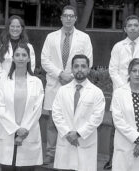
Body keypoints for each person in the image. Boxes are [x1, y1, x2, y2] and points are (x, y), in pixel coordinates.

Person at [41, 5, 93, 164]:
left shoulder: (84, 38)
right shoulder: (51, 37)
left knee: (73, 117)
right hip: (55, 83)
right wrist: (59, 74)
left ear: (76, 18)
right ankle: (51, 152)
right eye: (66, 15)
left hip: (75, 83)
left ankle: (71, 152)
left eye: (72, 16)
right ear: (61, 18)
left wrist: (71, 76)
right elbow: (45, 59)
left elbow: (88, 61)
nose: (68, 18)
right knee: (52, 121)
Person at [106, 15, 139, 170]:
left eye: (136, 25)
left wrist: (136, 85)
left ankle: (137, 159)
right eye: (129, 25)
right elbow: (113, 70)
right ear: (125, 28)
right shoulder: (118, 46)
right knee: (117, 130)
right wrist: (124, 89)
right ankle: (113, 161)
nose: (133, 28)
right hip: (121, 94)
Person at [0, 43, 44, 171]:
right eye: (17, 55)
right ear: (13, 58)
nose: (21, 58)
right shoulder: (4, 81)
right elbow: (0, 108)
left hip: (28, 133)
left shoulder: (36, 82)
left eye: (24, 55)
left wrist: (23, 130)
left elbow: (37, 110)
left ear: (29, 58)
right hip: (8, 132)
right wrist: (15, 129)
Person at [52, 54, 105, 171]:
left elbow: (97, 118)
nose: (79, 69)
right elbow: (56, 114)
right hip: (66, 141)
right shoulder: (62, 91)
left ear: (89, 69)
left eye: (83, 66)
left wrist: (78, 134)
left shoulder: (96, 92)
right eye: (76, 66)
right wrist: (67, 133)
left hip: (85, 141)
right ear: (71, 69)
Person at [0, 15, 36, 115]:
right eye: (12, 26)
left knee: (20, 114)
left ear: (22, 28)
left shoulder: (29, 47)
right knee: (3, 115)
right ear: (8, 28)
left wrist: (17, 78)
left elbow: (30, 67)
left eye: (18, 26)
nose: (15, 29)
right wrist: (8, 78)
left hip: (21, 84)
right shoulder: (0, 46)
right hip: (3, 83)